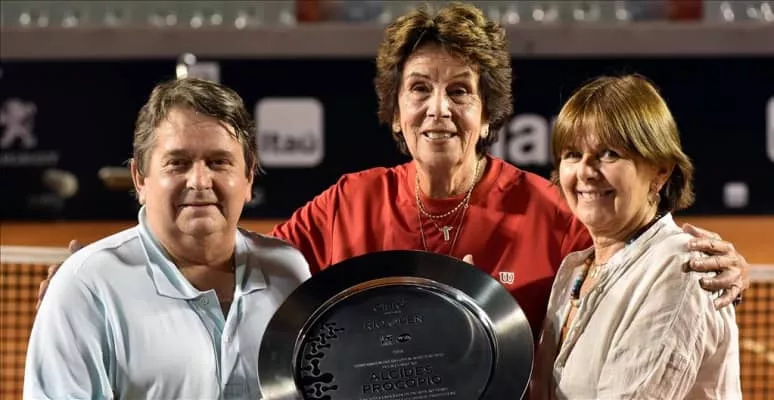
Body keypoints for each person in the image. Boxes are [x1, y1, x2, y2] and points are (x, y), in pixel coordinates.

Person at [37, 2, 748, 343]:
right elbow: (238, 266)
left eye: (460, 91)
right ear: (395, 111)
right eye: (419, 89)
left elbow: (630, 265)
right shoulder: (348, 203)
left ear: (487, 113)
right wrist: (113, 273)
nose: (439, 109)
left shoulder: (548, 210)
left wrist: (717, 265)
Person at [25, 78, 311, 399]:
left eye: (219, 162)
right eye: (178, 163)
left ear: (248, 178)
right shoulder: (85, 287)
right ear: (140, 179)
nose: (200, 181)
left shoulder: (290, 270)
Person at [531, 75, 741, 399]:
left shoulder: (681, 270)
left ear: (660, 170)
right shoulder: (576, 269)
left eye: (609, 154)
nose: (585, 171)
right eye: (572, 154)